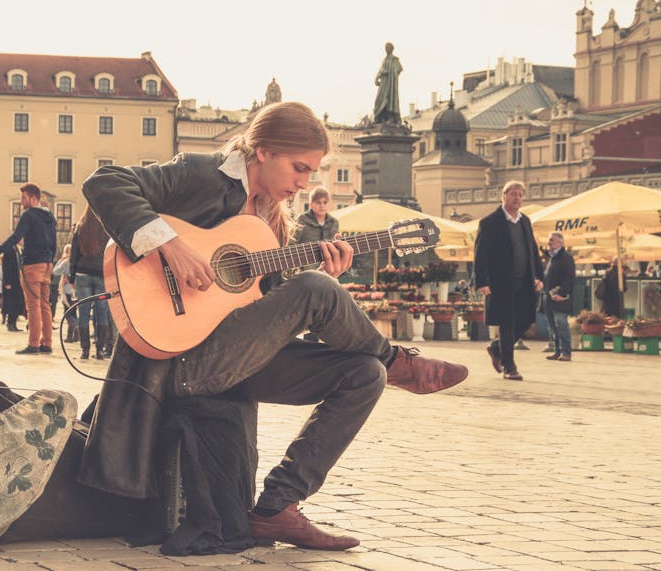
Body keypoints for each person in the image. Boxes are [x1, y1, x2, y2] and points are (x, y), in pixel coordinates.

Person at [81, 101, 467, 550]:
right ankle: (402, 362)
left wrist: (326, 280)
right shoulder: (200, 174)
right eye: (299, 168)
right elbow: (104, 182)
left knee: (364, 373)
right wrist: (171, 246)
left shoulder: (272, 221)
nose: (304, 182)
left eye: (311, 173)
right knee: (313, 290)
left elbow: (266, 309)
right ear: (261, 151)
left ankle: (277, 508)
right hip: (179, 361)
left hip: (233, 359)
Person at [474, 180, 542, 381]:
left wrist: (539, 275)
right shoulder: (490, 222)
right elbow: (480, 254)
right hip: (500, 283)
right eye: (513, 194)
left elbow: (533, 251)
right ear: (503, 196)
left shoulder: (525, 221)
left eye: (521, 194)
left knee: (526, 320)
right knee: (507, 323)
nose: (517, 198)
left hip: (524, 281)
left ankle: (496, 348)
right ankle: (509, 367)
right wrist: (482, 281)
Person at [0, 183, 57, 355]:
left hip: (32, 264)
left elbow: (15, 238)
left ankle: (33, 344)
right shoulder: (50, 217)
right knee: (45, 305)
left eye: (23, 198)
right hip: (47, 264)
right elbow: (54, 243)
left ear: (33, 198)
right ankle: (46, 343)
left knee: (33, 306)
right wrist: (49, 259)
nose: (21, 201)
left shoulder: (29, 215)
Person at [293, 186, 339, 342]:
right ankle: (309, 342)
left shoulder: (333, 222)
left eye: (325, 202)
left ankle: (322, 342)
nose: (322, 205)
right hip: (306, 272)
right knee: (310, 308)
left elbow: (336, 246)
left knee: (325, 308)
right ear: (311, 204)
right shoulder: (301, 221)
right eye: (318, 202)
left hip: (328, 271)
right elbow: (292, 244)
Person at [69, 208, 112, 360]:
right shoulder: (108, 224)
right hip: (102, 274)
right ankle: (100, 350)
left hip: (82, 273)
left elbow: (74, 253)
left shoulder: (81, 226)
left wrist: (71, 276)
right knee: (101, 312)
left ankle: (85, 350)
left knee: (84, 312)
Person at [541, 232, 575, 362]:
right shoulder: (551, 258)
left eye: (552, 241)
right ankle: (557, 351)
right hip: (549, 297)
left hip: (560, 298)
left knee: (561, 324)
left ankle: (566, 352)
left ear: (560, 243)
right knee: (552, 326)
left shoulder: (566, 258)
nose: (549, 243)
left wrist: (562, 294)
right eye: (549, 240)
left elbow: (569, 278)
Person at [372, 42, 403, 125]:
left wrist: (392, 74)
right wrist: (376, 78)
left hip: (391, 83)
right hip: (384, 82)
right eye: (385, 47)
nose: (386, 49)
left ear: (391, 49)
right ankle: (379, 117)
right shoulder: (384, 59)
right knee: (379, 99)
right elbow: (381, 70)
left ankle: (391, 117)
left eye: (388, 47)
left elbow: (399, 69)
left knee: (390, 99)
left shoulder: (395, 60)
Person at [51, 244, 78, 341]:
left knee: (68, 313)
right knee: (74, 312)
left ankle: (70, 335)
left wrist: (61, 260)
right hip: (76, 290)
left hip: (67, 290)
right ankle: (76, 335)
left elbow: (55, 271)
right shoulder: (77, 260)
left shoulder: (66, 262)